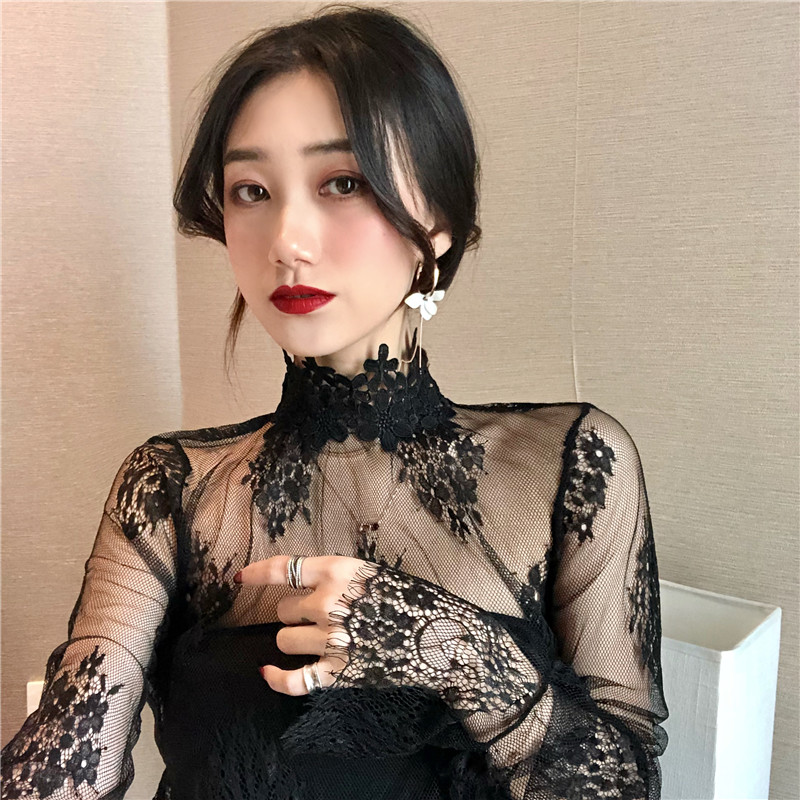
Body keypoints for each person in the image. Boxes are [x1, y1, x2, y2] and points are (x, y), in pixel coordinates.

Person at [1, 4, 669, 799]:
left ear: (439, 222)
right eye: (251, 190)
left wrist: (458, 652)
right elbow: (67, 756)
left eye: (343, 183)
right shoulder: (170, 487)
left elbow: (622, 784)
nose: (287, 240)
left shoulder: (569, 466)